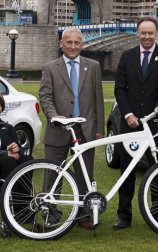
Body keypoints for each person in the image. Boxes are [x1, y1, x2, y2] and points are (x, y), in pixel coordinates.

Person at [112, 17, 158, 231]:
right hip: (130, 123)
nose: (147, 37)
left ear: (156, 33)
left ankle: (157, 214)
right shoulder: (127, 57)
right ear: (137, 33)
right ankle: (124, 216)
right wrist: (128, 114)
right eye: (143, 33)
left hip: (155, 122)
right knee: (126, 171)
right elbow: (120, 88)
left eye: (150, 33)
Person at [38, 27, 105, 229]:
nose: (73, 46)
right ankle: (51, 212)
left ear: (82, 45)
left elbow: (98, 100)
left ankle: (84, 215)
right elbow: (45, 96)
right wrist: (53, 116)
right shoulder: (50, 67)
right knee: (53, 173)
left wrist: (99, 129)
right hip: (58, 128)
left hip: (85, 129)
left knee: (85, 175)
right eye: (69, 42)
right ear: (61, 44)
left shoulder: (93, 66)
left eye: (77, 43)